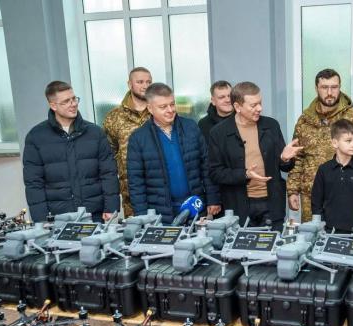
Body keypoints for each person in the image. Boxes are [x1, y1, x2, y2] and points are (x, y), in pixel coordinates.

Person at [208, 81, 301, 231]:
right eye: (253, 105)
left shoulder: (271, 125)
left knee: (274, 243)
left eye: (260, 103)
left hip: (271, 204)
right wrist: (244, 174)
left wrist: (285, 159)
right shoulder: (218, 133)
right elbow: (215, 173)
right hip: (239, 206)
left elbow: (285, 167)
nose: (259, 108)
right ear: (237, 107)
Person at [23, 80, 119, 222]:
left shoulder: (95, 133)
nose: (73, 104)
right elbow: (34, 182)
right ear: (53, 105)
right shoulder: (36, 137)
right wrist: (41, 219)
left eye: (74, 99)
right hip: (58, 217)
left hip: (93, 213)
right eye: (66, 101)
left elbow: (108, 173)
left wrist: (111, 207)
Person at [288, 69, 353, 222]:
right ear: (316, 88)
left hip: (346, 194)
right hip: (310, 195)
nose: (329, 92)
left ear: (339, 87)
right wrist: (292, 190)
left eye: (334, 87)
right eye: (324, 87)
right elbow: (297, 157)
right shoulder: (305, 120)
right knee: (313, 233)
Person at [126, 83, 221, 221]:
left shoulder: (191, 127)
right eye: (163, 107)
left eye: (172, 104)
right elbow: (136, 182)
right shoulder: (138, 138)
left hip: (195, 207)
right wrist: (143, 217)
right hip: (160, 212)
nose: (170, 110)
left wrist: (213, 198)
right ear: (150, 108)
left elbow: (206, 165)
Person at [103, 67, 153, 218]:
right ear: (130, 84)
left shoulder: (159, 112)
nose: (145, 86)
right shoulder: (114, 117)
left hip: (162, 188)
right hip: (131, 194)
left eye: (149, 82)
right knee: (135, 230)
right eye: (140, 82)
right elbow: (109, 156)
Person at [311, 119, 353, 233]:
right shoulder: (324, 169)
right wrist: (321, 227)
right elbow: (316, 203)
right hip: (329, 231)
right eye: (348, 141)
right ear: (335, 143)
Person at [198, 80, 234, 146]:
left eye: (230, 96)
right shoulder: (203, 124)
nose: (228, 100)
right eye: (222, 97)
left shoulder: (243, 119)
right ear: (213, 101)